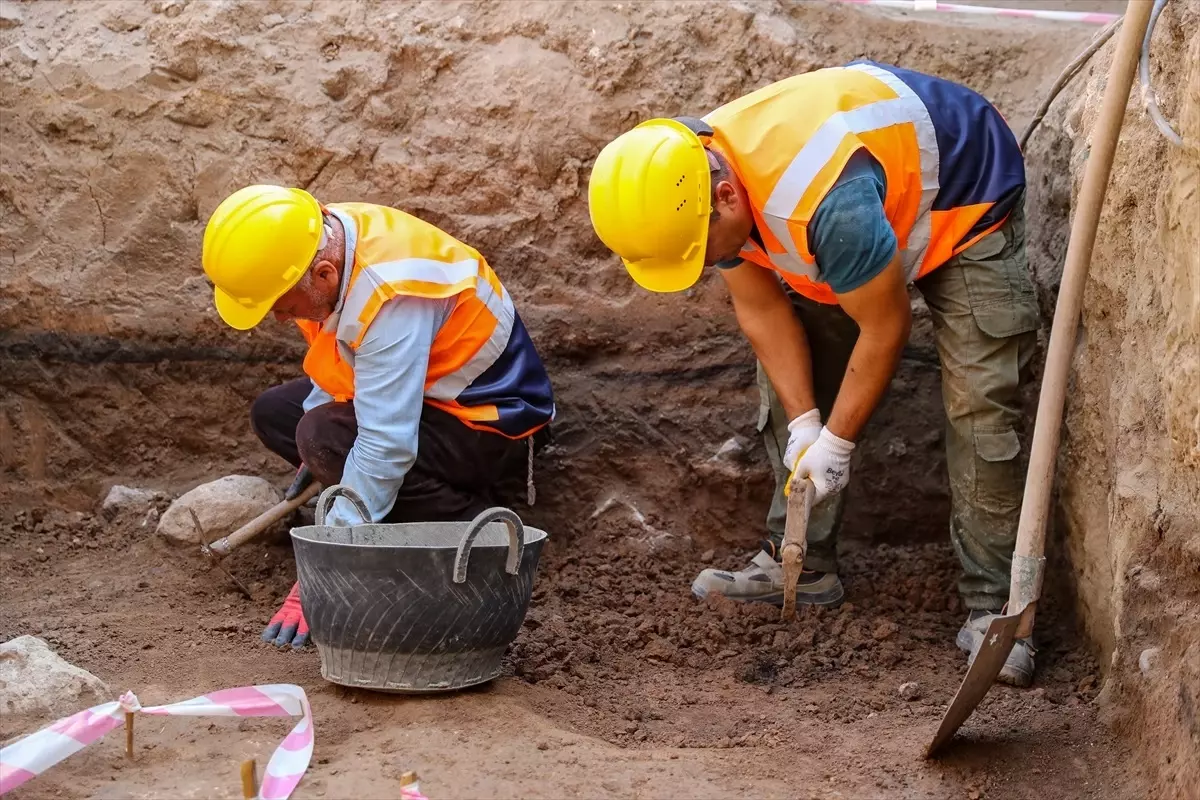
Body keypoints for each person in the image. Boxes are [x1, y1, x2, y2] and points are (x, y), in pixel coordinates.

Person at [586, 61, 1040, 686]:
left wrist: (837, 443)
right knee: (793, 384)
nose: (710, 264)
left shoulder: (824, 206)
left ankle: (997, 609)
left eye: (705, 251)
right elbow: (763, 310)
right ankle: (800, 563)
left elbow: (885, 328)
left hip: (964, 197)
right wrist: (805, 425)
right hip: (859, 207)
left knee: (981, 406)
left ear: (725, 196)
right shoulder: (690, 179)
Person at [201, 185, 555, 649]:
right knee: (280, 415)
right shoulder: (317, 239)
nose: (281, 320)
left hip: (490, 424)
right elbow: (340, 358)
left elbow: (385, 443)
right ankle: (381, 504)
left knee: (323, 435)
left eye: (284, 308)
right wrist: (320, 454)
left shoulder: (391, 295)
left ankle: (469, 523)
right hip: (422, 394)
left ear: (323, 275)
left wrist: (327, 566)